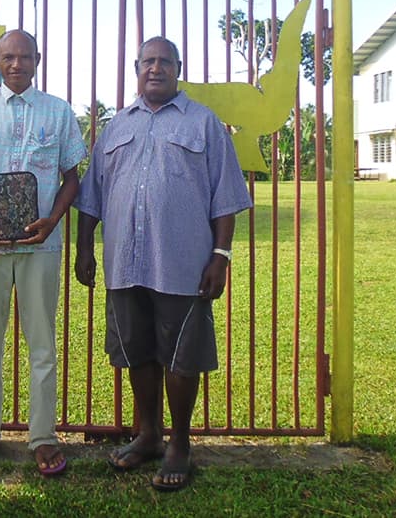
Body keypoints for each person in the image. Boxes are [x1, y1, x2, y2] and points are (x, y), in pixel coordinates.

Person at [74, 36, 252, 492]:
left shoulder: (204, 123)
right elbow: (92, 194)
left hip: (181, 264)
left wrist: (221, 256)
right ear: (137, 68)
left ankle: (180, 443)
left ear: (178, 68)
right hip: (125, 264)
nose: (155, 68)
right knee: (138, 351)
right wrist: (84, 247)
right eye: (148, 61)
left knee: (181, 356)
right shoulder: (116, 126)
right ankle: (149, 434)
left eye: (164, 62)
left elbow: (226, 197)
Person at [0, 29, 87, 476]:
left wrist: (53, 220)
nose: (16, 64)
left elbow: (71, 178)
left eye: (24, 57)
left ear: (37, 60)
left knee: (42, 343)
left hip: (40, 245)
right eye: (7, 57)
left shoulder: (58, 111)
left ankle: (42, 436)